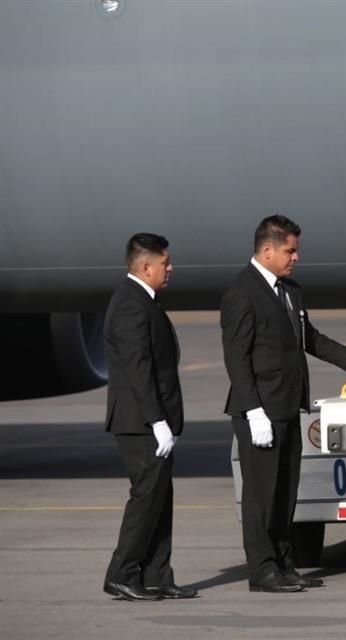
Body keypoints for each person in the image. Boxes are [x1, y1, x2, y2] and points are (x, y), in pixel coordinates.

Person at [221, 214, 346, 593]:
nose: (296, 257)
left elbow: (311, 340)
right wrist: (253, 411)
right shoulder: (242, 292)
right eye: (290, 250)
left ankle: (284, 565)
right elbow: (236, 358)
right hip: (260, 410)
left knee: (286, 492)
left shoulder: (290, 291)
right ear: (267, 250)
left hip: (287, 406)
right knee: (260, 496)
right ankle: (262, 569)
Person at [103, 233, 197, 601]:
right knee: (146, 497)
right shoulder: (130, 304)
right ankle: (122, 572)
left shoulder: (144, 300)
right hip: (139, 422)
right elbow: (137, 367)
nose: (170, 268)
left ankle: (157, 574)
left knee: (160, 497)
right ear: (145, 267)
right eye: (164, 263)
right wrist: (156, 421)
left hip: (151, 420)